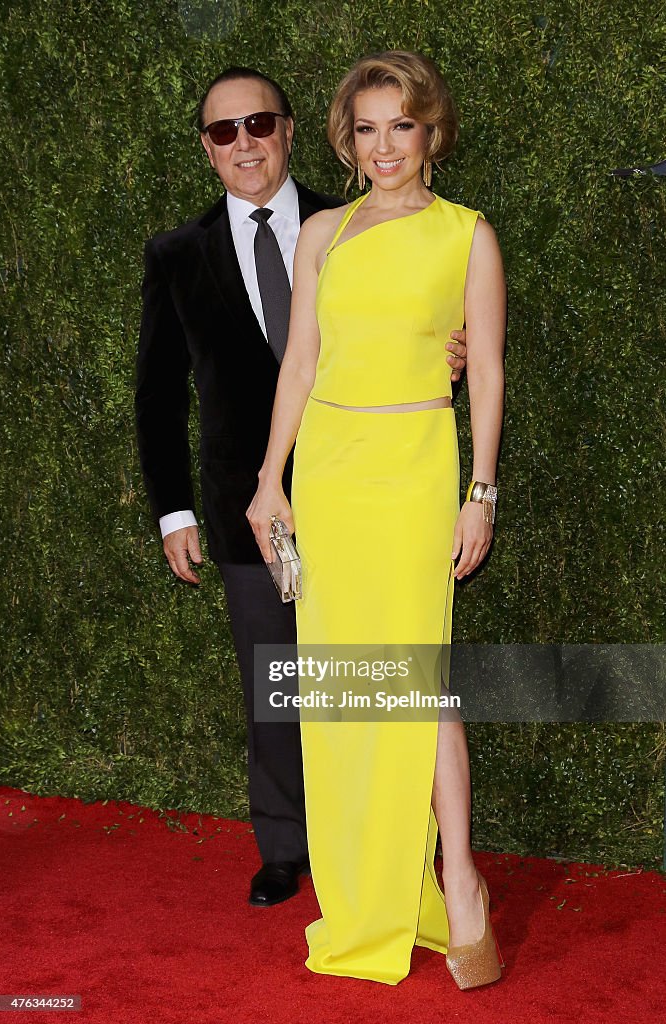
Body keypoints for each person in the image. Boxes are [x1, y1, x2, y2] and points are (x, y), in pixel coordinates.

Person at [135, 66, 471, 909]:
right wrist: (175, 509)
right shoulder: (177, 255)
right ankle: (286, 848)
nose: (244, 143)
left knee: (380, 673)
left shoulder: (363, 218)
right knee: (277, 680)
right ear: (207, 151)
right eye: (223, 132)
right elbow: (156, 391)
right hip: (253, 506)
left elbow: (424, 335)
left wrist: (448, 356)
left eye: (259, 123)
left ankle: (382, 844)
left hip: (368, 485)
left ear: (289, 130)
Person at [247, 51, 506, 988]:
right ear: (346, 140)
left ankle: (461, 878)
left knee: (420, 682)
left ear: (430, 130)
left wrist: (481, 491)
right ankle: (369, 895)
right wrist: (270, 478)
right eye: (366, 128)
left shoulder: (467, 236)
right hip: (331, 473)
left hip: (413, 472)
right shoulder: (322, 231)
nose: (385, 145)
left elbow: (486, 372)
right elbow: (301, 365)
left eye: (402, 125)